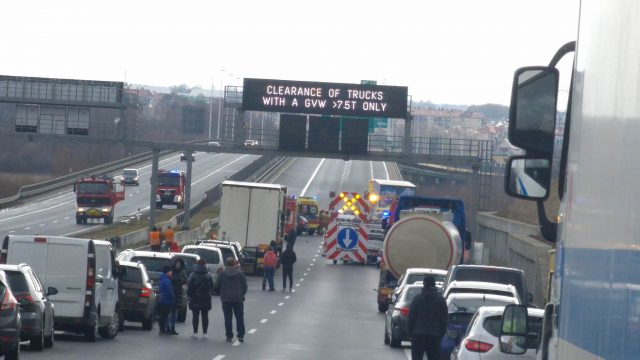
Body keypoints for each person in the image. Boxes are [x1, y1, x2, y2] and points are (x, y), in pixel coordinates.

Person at [407, 276, 448, 360]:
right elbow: (444, 319)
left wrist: (410, 333)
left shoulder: (417, 299)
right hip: (434, 335)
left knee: (417, 357)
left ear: (424, 284)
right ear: (434, 284)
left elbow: (411, 318)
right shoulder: (441, 300)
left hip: (418, 334)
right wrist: (441, 334)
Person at [215, 257, 247, 343]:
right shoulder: (240, 273)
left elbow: (217, 285)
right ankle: (241, 335)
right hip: (238, 298)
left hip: (226, 298)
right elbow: (244, 286)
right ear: (234, 264)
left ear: (226, 264)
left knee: (228, 318)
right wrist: (241, 294)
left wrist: (220, 293)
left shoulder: (222, 273)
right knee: (239, 317)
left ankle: (229, 336)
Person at [187, 259, 214, 339]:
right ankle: (205, 333)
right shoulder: (208, 275)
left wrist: (189, 295)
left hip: (195, 297)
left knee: (195, 315)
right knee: (205, 316)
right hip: (206, 297)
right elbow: (212, 286)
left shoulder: (193, 275)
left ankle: (195, 333)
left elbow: (190, 287)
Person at [167, 258, 187, 335]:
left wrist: (181, 281)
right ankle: (167, 327)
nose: (178, 265)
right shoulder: (172, 271)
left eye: (179, 264)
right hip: (171, 293)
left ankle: (173, 328)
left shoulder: (182, 272)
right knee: (169, 312)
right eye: (177, 263)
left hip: (178, 293)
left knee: (175, 312)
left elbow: (185, 280)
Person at [157, 265, 175, 335]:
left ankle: (162, 329)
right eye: (170, 271)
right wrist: (173, 298)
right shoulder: (167, 280)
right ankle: (162, 330)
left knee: (162, 315)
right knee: (164, 316)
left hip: (162, 299)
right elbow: (169, 291)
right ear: (167, 272)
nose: (171, 273)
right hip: (166, 300)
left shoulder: (162, 279)